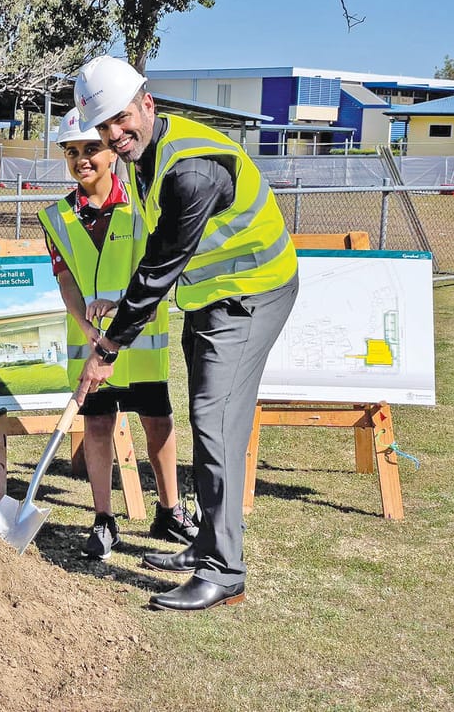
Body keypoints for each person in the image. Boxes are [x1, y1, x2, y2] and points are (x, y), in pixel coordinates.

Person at [73, 56, 299, 610]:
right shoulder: (147, 155)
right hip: (211, 297)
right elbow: (158, 252)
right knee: (209, 418)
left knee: (214, 423)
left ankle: (224, 571)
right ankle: (206, 543)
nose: (114, 135)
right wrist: (121, 302)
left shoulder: (190, 171)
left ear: (147, 102)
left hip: (251, 295)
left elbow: (162, 266)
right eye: (104, 128)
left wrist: (109, 346)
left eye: (121, 119)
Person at [38, 108, 197, 561]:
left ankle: (169, 512)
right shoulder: (56, 218)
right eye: (73, 152)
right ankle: (104, 518)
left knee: (158, 422)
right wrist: (85, 323)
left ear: (112, 152)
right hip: (89, 344)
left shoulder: (143, 205)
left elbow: (159, 269)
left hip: (143, 341)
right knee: (99, 425)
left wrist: (124, 307)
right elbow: (66, 278)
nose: (82, 159)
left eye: (92, 149)